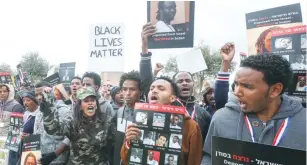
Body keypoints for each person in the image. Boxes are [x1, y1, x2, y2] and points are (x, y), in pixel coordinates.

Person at [201, 54, 306, 165]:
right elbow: (209, 156)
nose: (237, 92)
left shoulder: (303, 122)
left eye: (247, 86)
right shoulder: (221, 118)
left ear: (275, 90)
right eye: (236, 84)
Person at [121, 76, 203, 165]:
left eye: (161, 89)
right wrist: (128, 143)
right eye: (151, 88)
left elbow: (194, 160)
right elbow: (126, 160)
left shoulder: (190, 125)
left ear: (172, 98)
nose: (154, 91)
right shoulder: (139, 120)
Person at [39, 86, 115, 164]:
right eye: (86, 101)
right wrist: (49, 104)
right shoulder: (72, 121)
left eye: (92, 100)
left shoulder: (106, 121)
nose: (90, 103)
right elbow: (52, 129)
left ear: (96, 104)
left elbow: (113, 145)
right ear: (80, 106)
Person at [34, 82, 71, 165]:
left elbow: (69, 137)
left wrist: (54, 154)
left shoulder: (63, 110)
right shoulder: (39, 112)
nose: (39, 97)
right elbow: (37, 133)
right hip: (42, 159)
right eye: (36, 95)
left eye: (42, 94)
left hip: (58, 160)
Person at [0, 84, 24, 165]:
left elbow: (16, 130)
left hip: (10, 141)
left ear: (10, 92)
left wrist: (11, 148)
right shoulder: (1, 104)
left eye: (4, 91)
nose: (2, 93)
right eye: (0, 91)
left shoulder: (16, 106)